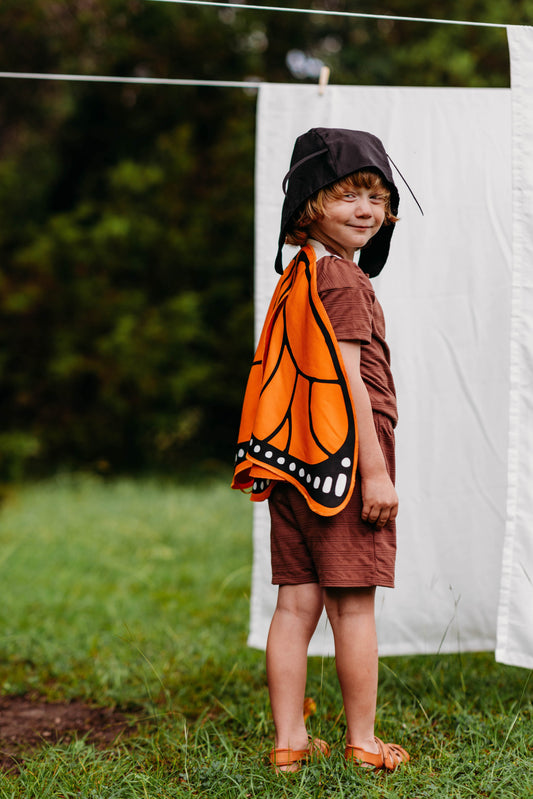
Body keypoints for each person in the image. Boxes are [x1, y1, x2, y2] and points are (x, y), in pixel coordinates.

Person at [232, 128, 410, 773]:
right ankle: (363, 743)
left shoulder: (300, 274)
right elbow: (347, 381)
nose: (366, 210)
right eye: (347, 196)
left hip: (295, 461)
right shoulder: (342, 280)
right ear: (311, 205)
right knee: (354, 606)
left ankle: (290, 742)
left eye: (377, 198)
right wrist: (375, 473)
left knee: (295, 602)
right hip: (345, 460)